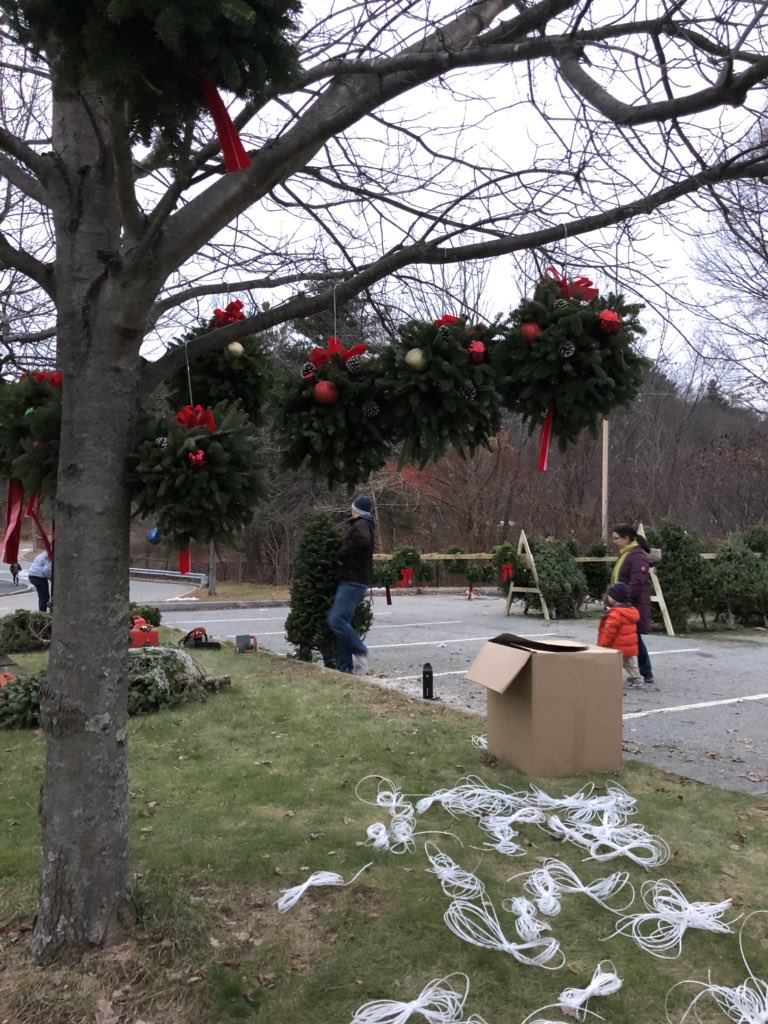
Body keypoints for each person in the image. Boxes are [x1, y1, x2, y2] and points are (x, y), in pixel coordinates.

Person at [327, 495, 375, 674]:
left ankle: (361, 650)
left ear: (356, 510)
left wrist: (342, 555)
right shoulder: (367, 524)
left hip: (353, 580)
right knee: (342, 622)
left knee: (336, 620)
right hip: (356, 580)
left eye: (352, 508)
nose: (350, 511)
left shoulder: (361, 525)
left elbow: (362, 541)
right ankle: (345, 668)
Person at [610, 524, 655, 688]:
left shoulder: (636, 556)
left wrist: (622, 598)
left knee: (633, 637)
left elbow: (637, 582)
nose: (613, 541)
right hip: (623, 602)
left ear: (627, 538)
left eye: (616, 538)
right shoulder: (626, 554)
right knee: (633, 637)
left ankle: (645, 673)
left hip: (631, 604)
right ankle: (643, 673)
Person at [597, 582, 644, 688]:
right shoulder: (630, 611)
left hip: (617, 646)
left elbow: (609, 631)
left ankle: (616, 684)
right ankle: (638, 680)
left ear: (613, 599)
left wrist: (602, 644)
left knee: (614, 665)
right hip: (628, 645)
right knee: (630, 665)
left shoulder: (615, 614)